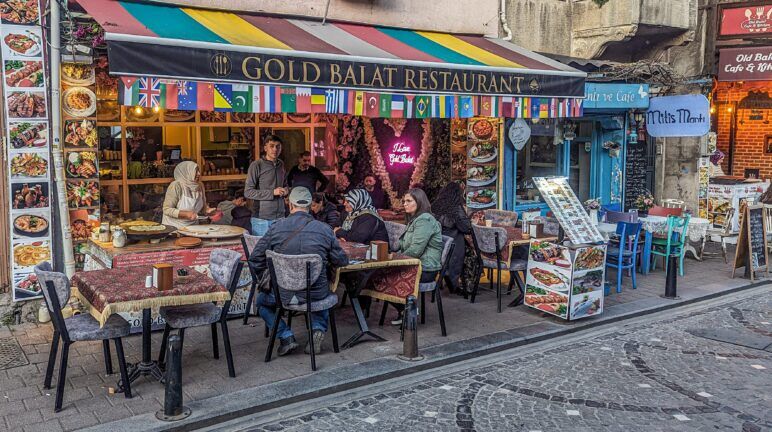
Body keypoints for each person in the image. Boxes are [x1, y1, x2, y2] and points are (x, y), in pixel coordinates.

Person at [249, 187, 349, 356]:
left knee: (260, 302)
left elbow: (255, 258)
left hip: (282, 294)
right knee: (323, 291)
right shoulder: (324, 229)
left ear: (290, 205)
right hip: (315, 293)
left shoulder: (276, 228)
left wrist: (266, 281)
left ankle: (286, 336)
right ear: (310, 206)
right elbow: (341, 261)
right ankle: (317, 328)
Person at [389, 188, 444, 324]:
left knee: (383, 276)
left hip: (425, 269)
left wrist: (393, 258)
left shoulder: (425, 220)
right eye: (404, 201)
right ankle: (405, 310)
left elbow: (415, 251)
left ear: (419, 202)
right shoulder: (415, 219)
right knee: (378, 275)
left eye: (409, 201)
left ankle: (409, 311)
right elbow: (405, 246)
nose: (405, 204)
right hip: (413, 264)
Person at [431, 182, 472, 293]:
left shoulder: (435, 205)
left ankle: (447, 278)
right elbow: (467, 228)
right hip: (453, 246)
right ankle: (463, 284)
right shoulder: (456, 208)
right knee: (472, 253)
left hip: (438, 244)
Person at [245, 135, 288, 235]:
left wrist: (286, 190)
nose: (275, 149)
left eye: (278, 146)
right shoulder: (256, 165)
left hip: (280, 217)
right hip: (261, 219)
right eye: (271, 146)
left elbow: (286, 185)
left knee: (279, 249)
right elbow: (248, 192)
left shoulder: (281, 164)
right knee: (262, 250)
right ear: (265, 148)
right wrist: (272, 192)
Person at [162, 161, 215, 229]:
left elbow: (203, 207)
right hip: (174, 229)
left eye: (198, 171)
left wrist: (207, 210)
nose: (199, 174)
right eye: (195, 171)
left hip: (193, 228)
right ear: (186, 173)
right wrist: (186, 214)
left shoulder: (200, 185)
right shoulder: (176, 186)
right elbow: (167, 209)